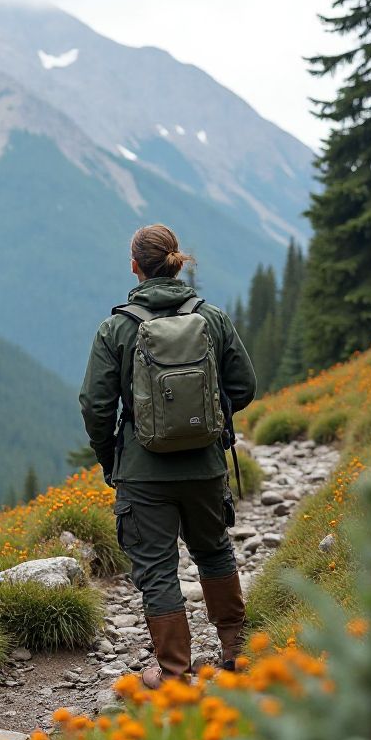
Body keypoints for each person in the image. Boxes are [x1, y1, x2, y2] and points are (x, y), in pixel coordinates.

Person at [79, 225, 256, 687]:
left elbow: (96, 406)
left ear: (135, 266)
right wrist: (210, 419)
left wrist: (110, 459)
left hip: (142, 472)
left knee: (157, 570)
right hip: (205, 465)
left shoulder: (116, 327)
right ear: (176, 261)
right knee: (214, 550)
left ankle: (176, 674)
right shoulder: (212, 318)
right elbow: (244, 387)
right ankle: (236, 652)